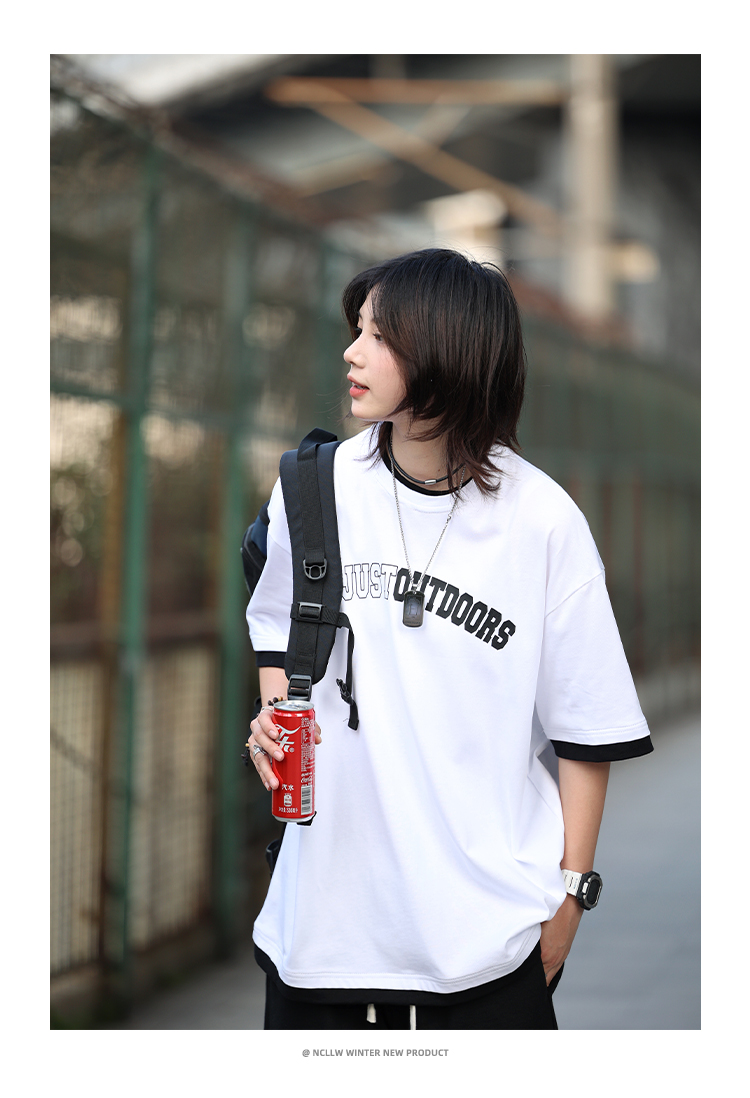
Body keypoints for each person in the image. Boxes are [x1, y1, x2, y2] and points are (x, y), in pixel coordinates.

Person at [245, 248, 652, 1030]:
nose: (351, 353)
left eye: (378, 336)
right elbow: (278, 636)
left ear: (443, 352)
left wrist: (570, 899)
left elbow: (586, 735)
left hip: (488, 948)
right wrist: (274, 720)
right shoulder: (312, 487)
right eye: (357, 330)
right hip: (319, 939)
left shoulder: (543, 522)